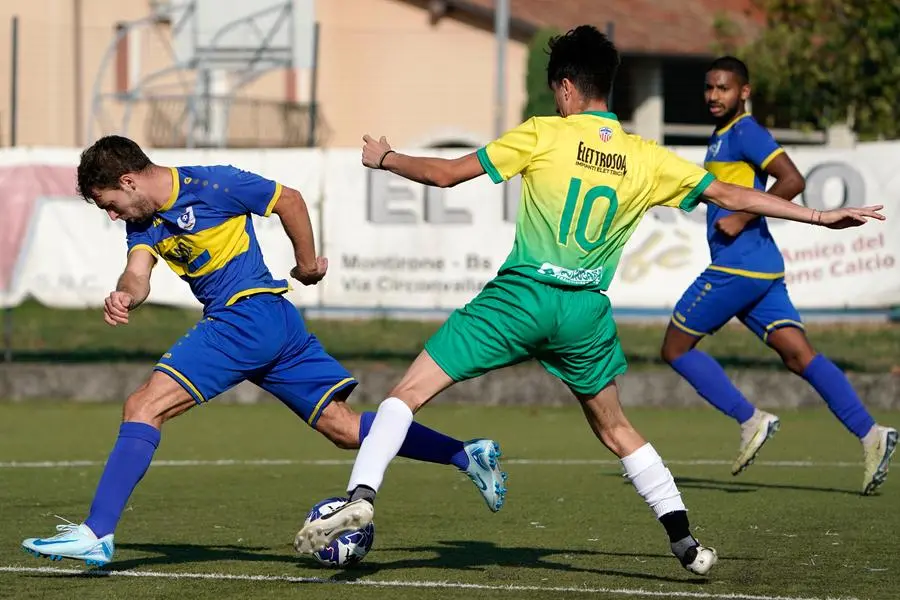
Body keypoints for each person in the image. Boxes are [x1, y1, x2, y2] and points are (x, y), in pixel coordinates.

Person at [294, 26, 884, 576]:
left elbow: (449, 174)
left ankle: (361, 497)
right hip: (584, 312)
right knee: (616, 428)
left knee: (407, 394)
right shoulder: (645, 156)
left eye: (558, 91)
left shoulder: (544, 133)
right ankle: (686, 543)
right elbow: (731, 192)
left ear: (569, 88)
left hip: (520, 298)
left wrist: (386, 158)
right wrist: (816, 215)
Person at [19, 135, 507, 567]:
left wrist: (308, 264)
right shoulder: (144, 221)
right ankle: (466, 455)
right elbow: (138, 272)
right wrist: (126, 293)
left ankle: (97, 533)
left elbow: (288, 200)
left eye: (109, 204)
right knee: (343, 428)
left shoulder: (214, 185)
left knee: (143, 405)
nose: (111, 215)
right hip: (272, 323)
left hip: (245, 315)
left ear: (128, 181)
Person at [659, 56, 897, 494]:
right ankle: (872, 434)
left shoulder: (745, 131)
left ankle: (750, 419)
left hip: (737, 267)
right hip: (762, 268)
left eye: (724, 88)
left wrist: (742, 218)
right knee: (799, 356)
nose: (714, 96)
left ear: (744, 93)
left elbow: (792, 178)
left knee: (675, 348)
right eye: (709, 88)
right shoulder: (721, 136)